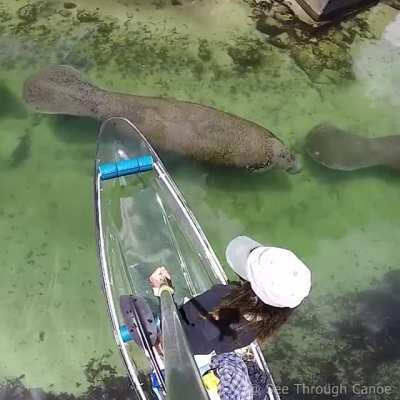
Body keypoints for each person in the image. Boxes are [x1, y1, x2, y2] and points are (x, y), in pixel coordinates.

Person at [149, 235, 312, 355]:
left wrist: (163, 290)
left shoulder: (224, 301)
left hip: (173, 332)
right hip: (211, 343)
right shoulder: (265, 321)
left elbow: (176, 344)